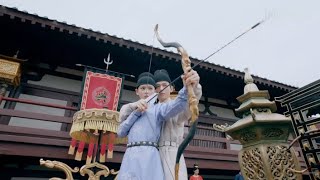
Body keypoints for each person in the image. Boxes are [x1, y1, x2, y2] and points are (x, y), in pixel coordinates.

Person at [117, 70, 197, 180]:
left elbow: (176, 105)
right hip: (132, 153)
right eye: (143, 88)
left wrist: (186, 88)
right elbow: (121, 132)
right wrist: (135, 110)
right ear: (137, 91)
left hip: (154, 154)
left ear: (155, 91)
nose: (146, 92)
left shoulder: (158, 109)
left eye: (150, 88)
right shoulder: (132, 108)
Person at [154, 69, 202, 180]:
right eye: (157, 86)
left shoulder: (177, 105)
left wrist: (194, 86)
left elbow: (190, 104)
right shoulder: (151, 109)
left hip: (171, 152)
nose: (161, 89)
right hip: (154, 153)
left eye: (165, 85)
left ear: (171, 88)